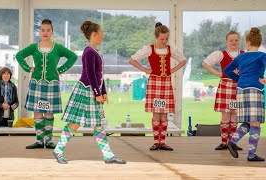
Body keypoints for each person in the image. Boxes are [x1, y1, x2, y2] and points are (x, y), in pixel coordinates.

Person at [53, 21, 126, 164]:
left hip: (92, 91)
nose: (103, 36)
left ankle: (108, 155)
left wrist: (103, 91)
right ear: (94, 34)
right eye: (101, 33)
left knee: (98, 124)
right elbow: (91, 75)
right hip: (86, 91)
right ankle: (58, 150)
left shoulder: (96, 52)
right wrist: (97, 93)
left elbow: (100, 75)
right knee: (75, 124)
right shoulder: (88, 52)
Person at [16, 19, 77, 149]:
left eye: (48, 30)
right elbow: (19, 55)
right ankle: (39, 141)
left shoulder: (58, 47)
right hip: (36, 83)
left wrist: (60, 70)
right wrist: (28, 68)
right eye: (43, 30)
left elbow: (73, 56)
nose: (45, 32)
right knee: (37, 112)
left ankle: (48, 140)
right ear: (39, 32)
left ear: (52, 32)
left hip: (51, 84)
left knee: (49, 113)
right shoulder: (34, 47)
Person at [129, 22, 186, 151]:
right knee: (156, 114)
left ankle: (163, 141)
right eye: (162, 39)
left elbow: (183, 60)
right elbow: (132, 60)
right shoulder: (149, 49)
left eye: (166, 39)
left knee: (164, 114)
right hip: (154, 82)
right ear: (156, 37)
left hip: (166, 83)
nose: (164, 41)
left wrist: (173, 69)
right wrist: (145, 69)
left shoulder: (170, 49)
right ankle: (156, 141)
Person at [224, 27, 266, 161]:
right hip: (255, 90)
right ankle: (251, 155)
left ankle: (232, 141)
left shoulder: (241, 57)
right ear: (259, 43)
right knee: (255, 123)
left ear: (247, 43)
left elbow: (227, 70)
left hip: (241, 91)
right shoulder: (262, 56)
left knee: (249, 121)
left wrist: (239, 79)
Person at [202, 31, 244, 151]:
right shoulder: (221, 54)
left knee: (235, 118)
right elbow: (205, 63)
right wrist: (219, 74)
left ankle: (233, 142)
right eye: (231, 40)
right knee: (226, 117)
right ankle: (224, 142)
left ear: (239, 41)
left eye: (236, 40)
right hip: (226, 85)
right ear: (226, 42)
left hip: (238, 87)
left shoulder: (243, 54)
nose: (234, 42)